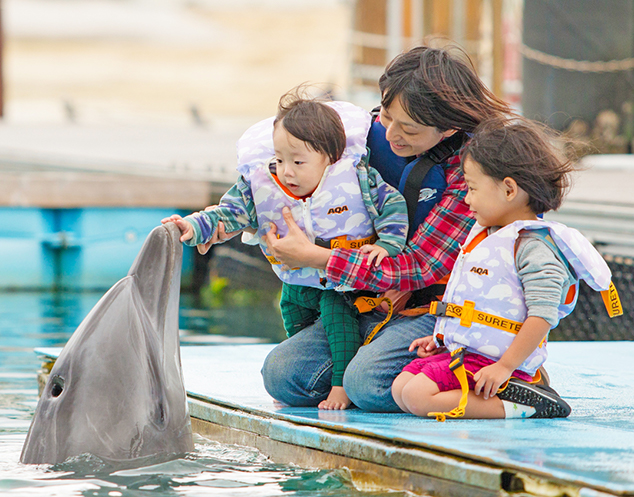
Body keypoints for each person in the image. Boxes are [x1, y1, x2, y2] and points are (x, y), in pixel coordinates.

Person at [256, 44, 516, 412]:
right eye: (386, 115)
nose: (391, 133)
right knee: (283, 376)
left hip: (437, 309)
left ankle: (493, 383)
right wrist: (227, 220)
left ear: (449, 127)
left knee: (367, 385)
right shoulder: (364, 134)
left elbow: (421, 266)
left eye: (408, 128)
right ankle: (403, 376)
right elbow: (295, 177)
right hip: (369, 298)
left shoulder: (472, 171)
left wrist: (317, 257)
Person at [163, 89, 409, 410]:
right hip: (296, 283)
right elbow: (228, 212)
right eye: (279, 159)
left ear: (331, 158)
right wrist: (193, 226)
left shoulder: (357, 180)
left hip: (341, 286)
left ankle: (340, 386)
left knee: (339, 323)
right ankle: (312, 371)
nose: (287, 171)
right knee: (292, 316)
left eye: (298, 161)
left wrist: (388, 243)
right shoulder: (264, 182)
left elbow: (393, 205)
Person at [392, 117, 622, 420]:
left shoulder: (533, 247)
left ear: (509, 190)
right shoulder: (487, 236)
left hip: (497, 361)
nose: (467, 199)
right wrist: (440, 339)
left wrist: (505, 366)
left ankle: (527, 403)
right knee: (401, 387)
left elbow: (542, 315)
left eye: (472, 188)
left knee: (417, 396)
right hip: (469, 353)